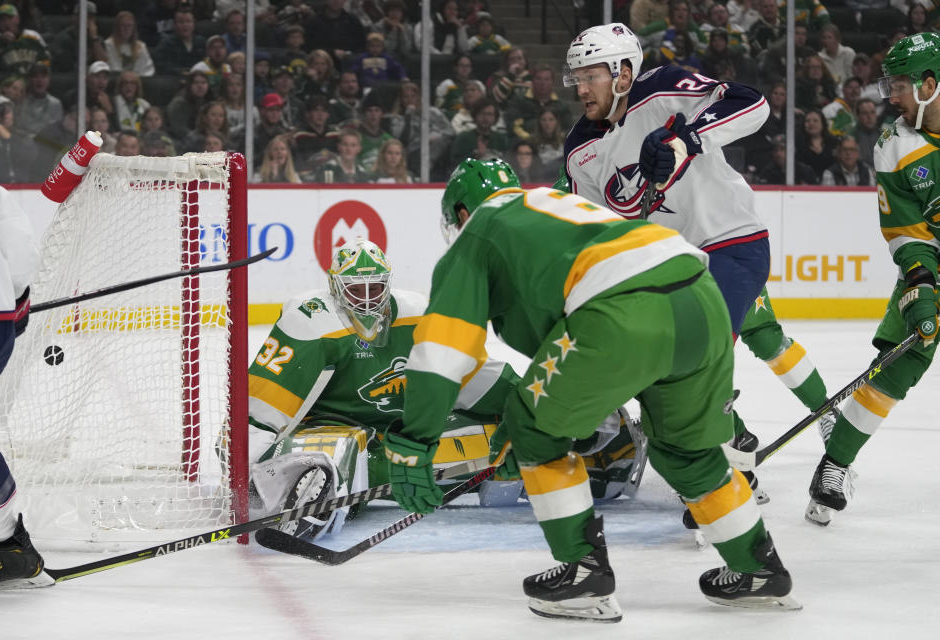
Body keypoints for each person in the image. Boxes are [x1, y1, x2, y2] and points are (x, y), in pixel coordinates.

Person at [385, 158, 799, 621]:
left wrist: (413, 440)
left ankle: (583, 574)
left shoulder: (481, 229)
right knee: (688, 452)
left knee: (534, 429)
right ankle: (760, 570)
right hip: (701, 297)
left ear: (462, 213)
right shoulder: (551, 209)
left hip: (621, 309)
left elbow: (443, 351)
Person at [560, 23, 837, 506]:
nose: (580, 88)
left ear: (624, 73)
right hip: (668, 268)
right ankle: (738, 442)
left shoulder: (664, 89)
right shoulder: (580, 149)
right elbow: (593, 231)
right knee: (657, 371)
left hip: (729, 243)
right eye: (576, 77)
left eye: (591, 76)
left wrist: (685, 141)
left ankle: (734, 479)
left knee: (715, 352)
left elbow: (752, 104)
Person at [247, 238, 520, 540]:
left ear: (387, 283)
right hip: (333, 430)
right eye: (356, 289)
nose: (366, 299)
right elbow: (261, 404)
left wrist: (530, 408)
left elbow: (470, 372)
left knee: (506, 434)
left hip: (398, 432)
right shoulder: (311, 320)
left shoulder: (417, 312)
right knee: (336, 456)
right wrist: (243, 471)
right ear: (336, 286)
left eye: (374, 288)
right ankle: (323, 501)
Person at [806, 32, 940, 526]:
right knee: (901, 362)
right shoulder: (894, 144)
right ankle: (833, 466)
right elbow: (905, 228)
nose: (892, 96)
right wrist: (921, 282)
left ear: (931, 83)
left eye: (900, 85)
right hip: (936, 261)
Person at [0, 158, 49, 590]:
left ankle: (10, 546)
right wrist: (17, 296)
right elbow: (13, 229)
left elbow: (9, 228)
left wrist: (16, 296)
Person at [103, 10, 155, 77]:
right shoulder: (109, 44)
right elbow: (111, 68)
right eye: (123, 25)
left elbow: (147, 70)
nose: (126, 29)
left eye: (129, 25)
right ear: (117, 27)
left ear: (134, 28)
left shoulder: (141, 46)